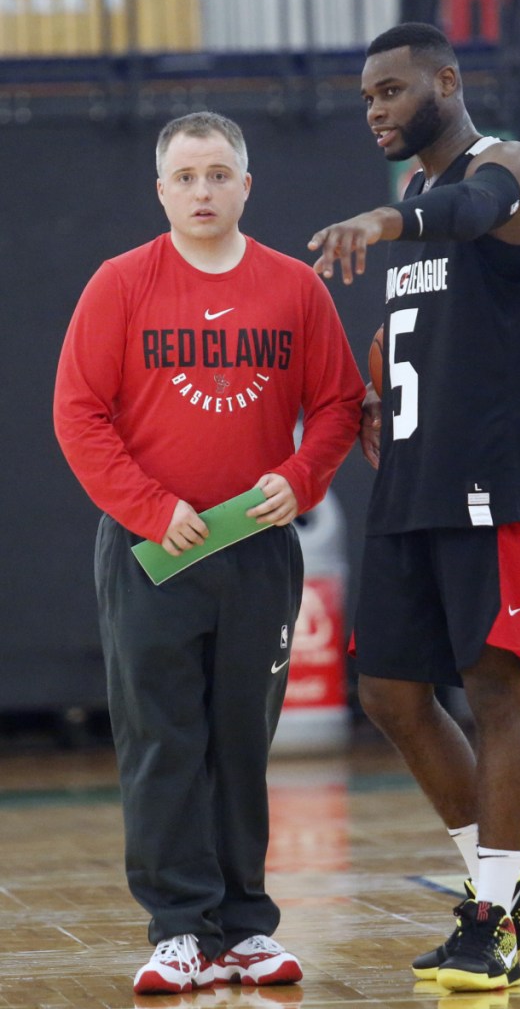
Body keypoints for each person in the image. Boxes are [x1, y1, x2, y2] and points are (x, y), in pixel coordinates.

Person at [54, 110, 365, 996]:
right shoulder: (119, 284)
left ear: (246, 185)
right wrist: (152, 509)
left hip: (259, 554)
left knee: (240, 738)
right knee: (161, 737)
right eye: (186, 177)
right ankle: (176, 928)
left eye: (219, 174)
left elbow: (340, 401)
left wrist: (303, 477)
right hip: (153, 552)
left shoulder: (294, 288)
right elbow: (79, 413)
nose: (202, 191)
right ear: (160, 190)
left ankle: (244, 928)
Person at [308, 23, 520, 994]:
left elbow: (471, 212)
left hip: (488, 481)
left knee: (493, 689)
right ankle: (514, 904)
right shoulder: (416, 196)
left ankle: (489, 921)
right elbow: (422, 307)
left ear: (444, 81)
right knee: (386, 693)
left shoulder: (504, 167)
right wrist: (377, 379)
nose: (374, 109)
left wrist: (384, 225)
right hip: (408, 481)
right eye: (366, 96)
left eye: (389, 90)